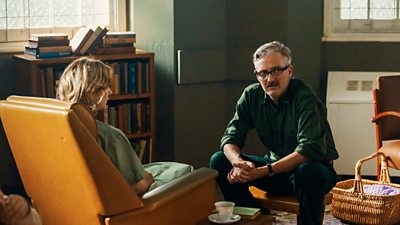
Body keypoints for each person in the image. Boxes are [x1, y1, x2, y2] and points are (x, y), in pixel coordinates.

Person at [210, 41, 339, 225]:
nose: (269, 79)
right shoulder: (251, 95)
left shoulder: (305, 97)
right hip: (275, 170)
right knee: (219, 160)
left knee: (308, 171)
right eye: (263, 73)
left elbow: (309, 150)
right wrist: (237, 163)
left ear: (290, 70)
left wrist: (263, 171)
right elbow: (230, 138)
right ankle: (260, 219)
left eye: (276, 70)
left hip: (313, 172)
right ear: (257, 75)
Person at [56, 57, 192, 195]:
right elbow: (130, 190)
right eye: (106, 87)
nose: (110, 92)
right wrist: (146, 181)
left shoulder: (56, 129)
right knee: (187, 172)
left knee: (165, 167)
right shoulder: (111, 136)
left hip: (79, 200)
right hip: (130, 202)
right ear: (92, 91)